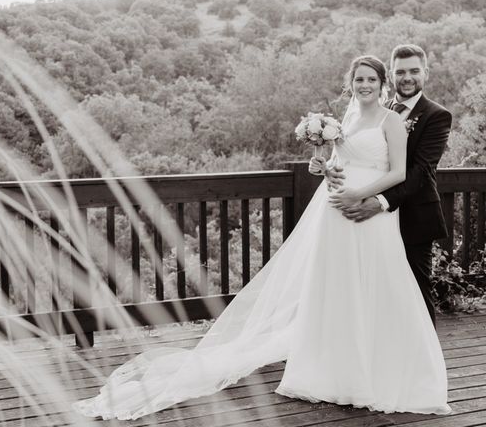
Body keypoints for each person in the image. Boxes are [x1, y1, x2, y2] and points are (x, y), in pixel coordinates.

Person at [72, 54, 451, 420]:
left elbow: (400, 171)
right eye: (359, 79)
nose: (365, 85)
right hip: (335, 212)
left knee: (380, 286)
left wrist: (360, 194)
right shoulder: (347, 120)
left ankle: (383, 368)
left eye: (371, 79)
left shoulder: (391, 121)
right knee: (337, 287)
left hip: (370, 213)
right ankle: (338, 371)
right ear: (350, 85)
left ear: (382, 84)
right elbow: (342, 162)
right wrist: (324, 166)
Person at [324, 44, 453, 327]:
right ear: (391, 76)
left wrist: (378, 201)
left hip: (412, 217)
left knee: (415, 292)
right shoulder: (377, 110)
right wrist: (330, 172)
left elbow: (419, 172)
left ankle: (422, 360)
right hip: (371, 222)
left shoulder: (436, 115)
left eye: (414, 71)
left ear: (426, 73)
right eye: (401, 72)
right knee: (376, 291)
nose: (407, 77)